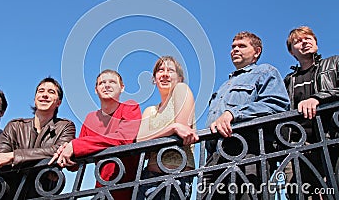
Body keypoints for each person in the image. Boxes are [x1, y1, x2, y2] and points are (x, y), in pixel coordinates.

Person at [204, 31, 289, 198]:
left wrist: (234, 113)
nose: (235, 49)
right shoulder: (223, 87)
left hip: (248, 152)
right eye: (233, 46)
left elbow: (277, 105)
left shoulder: (266, 71)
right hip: (214, 158)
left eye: (241, 46)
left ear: (256, 52)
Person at [49, 69, 142, 199]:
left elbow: (124, 139)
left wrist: (75, 146)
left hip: (129, 189)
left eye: (112, 82)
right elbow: (77, 161)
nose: (107, 85)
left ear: (122, 88)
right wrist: (65, 153)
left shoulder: (130, 107)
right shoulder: (91, 118)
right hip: (101, 190)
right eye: (102, 83)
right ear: (96, 89)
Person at [0, 77, 75, 197]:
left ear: (58, 102)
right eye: (41, 91)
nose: (45, 95)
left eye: (51, 92)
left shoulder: (66, 126)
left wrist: (14, 156)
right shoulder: (14, 126)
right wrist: (44, 160)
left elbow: (59, 151)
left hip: (42, 192)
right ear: (35, 99)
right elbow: (0, 160)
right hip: (10, 192)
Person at [284, 26, 339, 199]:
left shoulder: (334, 63)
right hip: (300, 147)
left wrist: (318, 98)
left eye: (308, 38)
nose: (304, 42)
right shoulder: (289, 80)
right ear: (292, 51)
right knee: (300, 194)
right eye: (298, 41)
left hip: (332, 140)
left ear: (315, 42)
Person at [135, 56, 198, 200]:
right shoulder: (150, 110)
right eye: (160, 70)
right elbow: (140, 139)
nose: (164, 74)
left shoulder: (182, 89)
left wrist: (174, 128)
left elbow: (182, 130)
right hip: (147, 180)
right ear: (154, 78)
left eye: (170, 70)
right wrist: (172, 127)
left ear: (180, 78)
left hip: (174, 179)